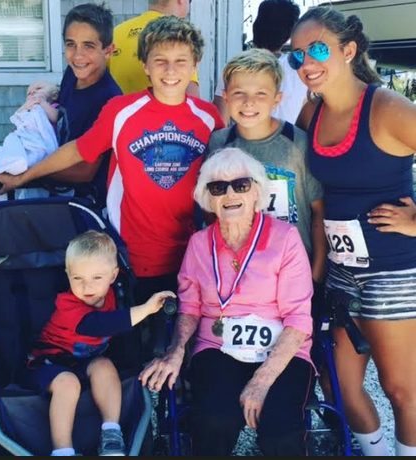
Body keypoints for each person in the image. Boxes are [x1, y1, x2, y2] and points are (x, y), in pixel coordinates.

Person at [0, 15, 224, 361]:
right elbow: (78, 150)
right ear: (144, 64)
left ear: (194, 65)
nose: (170, 70)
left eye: (180, 61)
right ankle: (132, 410)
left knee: (182, 345)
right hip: (131, 254)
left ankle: (176, 407)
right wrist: (24, 177)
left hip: (189, 254)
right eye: (160, 60)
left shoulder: (209, 118)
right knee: (129, 348)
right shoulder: (121, 110)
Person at [291, 6, 416, 456]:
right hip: (342, 274)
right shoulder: (312, 114)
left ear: (348, 50)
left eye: (318, 49)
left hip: (395, 272)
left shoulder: (387, 108)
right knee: (338, 388)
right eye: (297, 55)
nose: (306, 63)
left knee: (402, 391)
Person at [139, 147, 315, 456]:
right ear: (208, 198)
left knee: (280, 432)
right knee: (213, 421)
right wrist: (177, 349)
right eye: (218, 187)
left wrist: (261, 381)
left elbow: (299, 318)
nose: (230, 193)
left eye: (241, 185)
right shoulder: (198, 244)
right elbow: (190, 307)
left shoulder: (285, 238)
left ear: (257, 191)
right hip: (218, 347)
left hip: (282, 351)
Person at [24, 230, 175, 456]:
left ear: (113, 276)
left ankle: (111, 433)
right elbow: (102, 324)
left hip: (86, 361)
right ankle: (62, 450)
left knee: (105, 366)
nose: (87, 287)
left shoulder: (112, 294)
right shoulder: (68, 306)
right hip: (48, 362)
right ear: (68, 275)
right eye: (78, 279)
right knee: (68, 383)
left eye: (97, 278)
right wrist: (146, 309)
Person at [209, 48, 325, 287]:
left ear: (277, 99)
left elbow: (319, 211)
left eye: (261, 94)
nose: (249, 102)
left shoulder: (298, 143)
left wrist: (316, 275)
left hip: (293, 274)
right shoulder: (218, 143)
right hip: (237, 274)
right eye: (239, 93)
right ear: (226, 97)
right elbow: (211, 212)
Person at [52, 2, 122, 208]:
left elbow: (85, 171)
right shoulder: (71, 74)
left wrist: (28, 172)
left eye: (88, 46)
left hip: (88, 206)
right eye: (71, 44)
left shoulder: (108, 99)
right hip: (59, 191)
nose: (78, 55)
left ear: (108, 51)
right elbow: (63, 113)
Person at [213, 0, 307, 125]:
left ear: (256, 26)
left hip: (242, 143)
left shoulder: (233, 68)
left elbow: (220, 122)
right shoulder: (301, 69)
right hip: (291, 142)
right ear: (289, 35)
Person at [0, 80, 60, 202]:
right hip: (26, 140)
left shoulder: (52, 107)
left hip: (42, 142)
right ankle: (11, 164)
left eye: (38, 89)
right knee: (11, 143)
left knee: (34, 155)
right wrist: (26, 106)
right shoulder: (29, 108)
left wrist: (42, 102)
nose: (33, 92)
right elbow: (17, 118)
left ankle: (20, 163)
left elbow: (55, 117)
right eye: (29, 92)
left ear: (54, 95)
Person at [108, 0, 199, 97]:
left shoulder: (116, 33)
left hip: (120, 109)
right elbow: (192, 99)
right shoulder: (179, 36)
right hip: (164, 111)